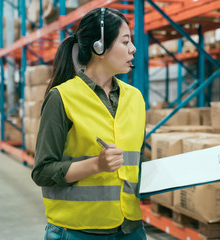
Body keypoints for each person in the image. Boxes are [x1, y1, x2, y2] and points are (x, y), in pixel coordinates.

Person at [31, 7, 147, 240]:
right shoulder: (62, 98)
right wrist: (97, 164)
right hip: (77, 231)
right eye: (125, 42)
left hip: (130, 229)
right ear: (99, 47)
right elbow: (42, 172)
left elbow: (135, 162)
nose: (133, 48)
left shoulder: (135, 98)